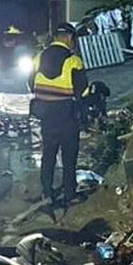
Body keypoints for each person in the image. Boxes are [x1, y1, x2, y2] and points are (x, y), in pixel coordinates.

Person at [28, 22, 88, 209]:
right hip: (67, 115)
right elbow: (82, 91)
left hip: (46, 116)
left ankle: (47, 192)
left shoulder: (39, 57)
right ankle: (70, 194)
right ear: (70, 38)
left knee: (48, 154)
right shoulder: (73, 60)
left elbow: (31, 84)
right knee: (69, 156)